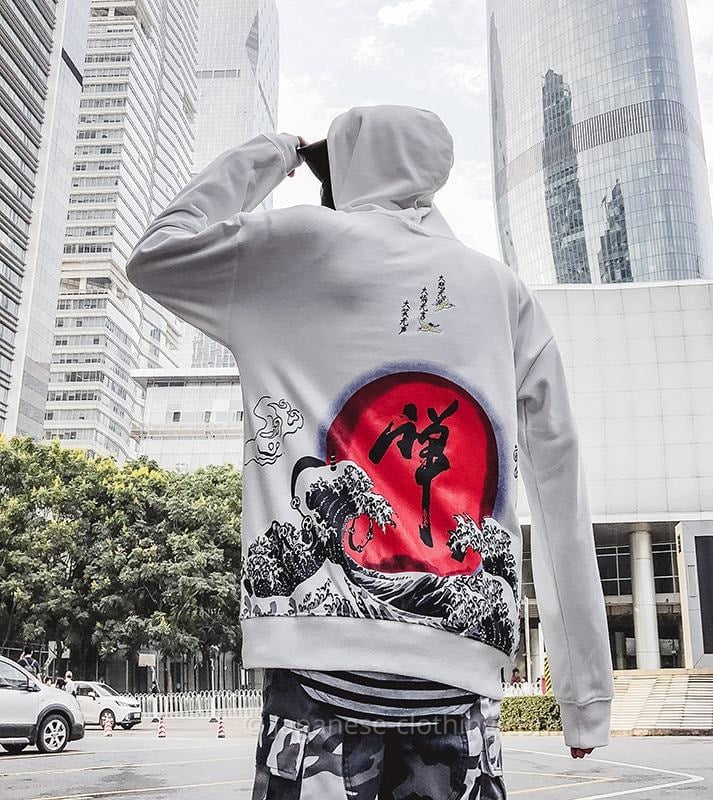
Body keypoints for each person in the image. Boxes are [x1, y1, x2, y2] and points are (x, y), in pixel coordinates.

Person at [126, 104, 614, 799]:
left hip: (314, 662)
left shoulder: (289, 248)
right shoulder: (500, 289)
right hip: (458, 672)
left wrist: (276, 153)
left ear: (346, 163)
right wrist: (584, 692)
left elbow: (156, 253)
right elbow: (558, 476)